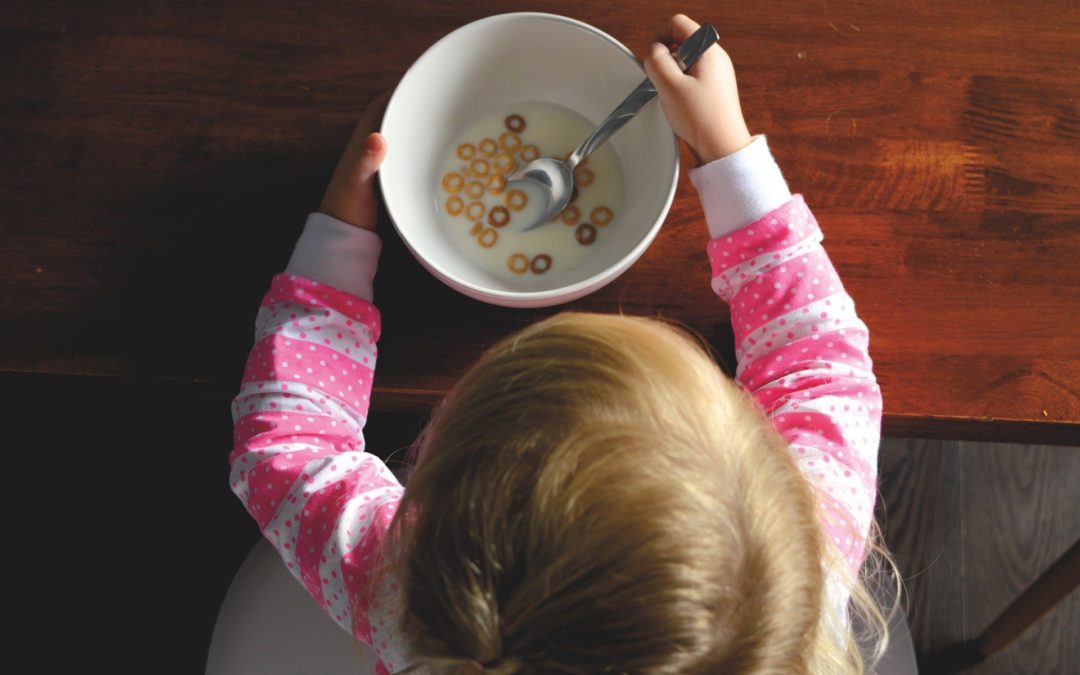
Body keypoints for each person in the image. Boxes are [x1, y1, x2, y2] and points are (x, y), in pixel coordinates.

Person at [228, 13, 897, 674]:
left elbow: (287, 447)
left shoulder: (404, 588)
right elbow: (818, 361)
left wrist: (340, 233)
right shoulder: (803, 562)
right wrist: (727, 148)